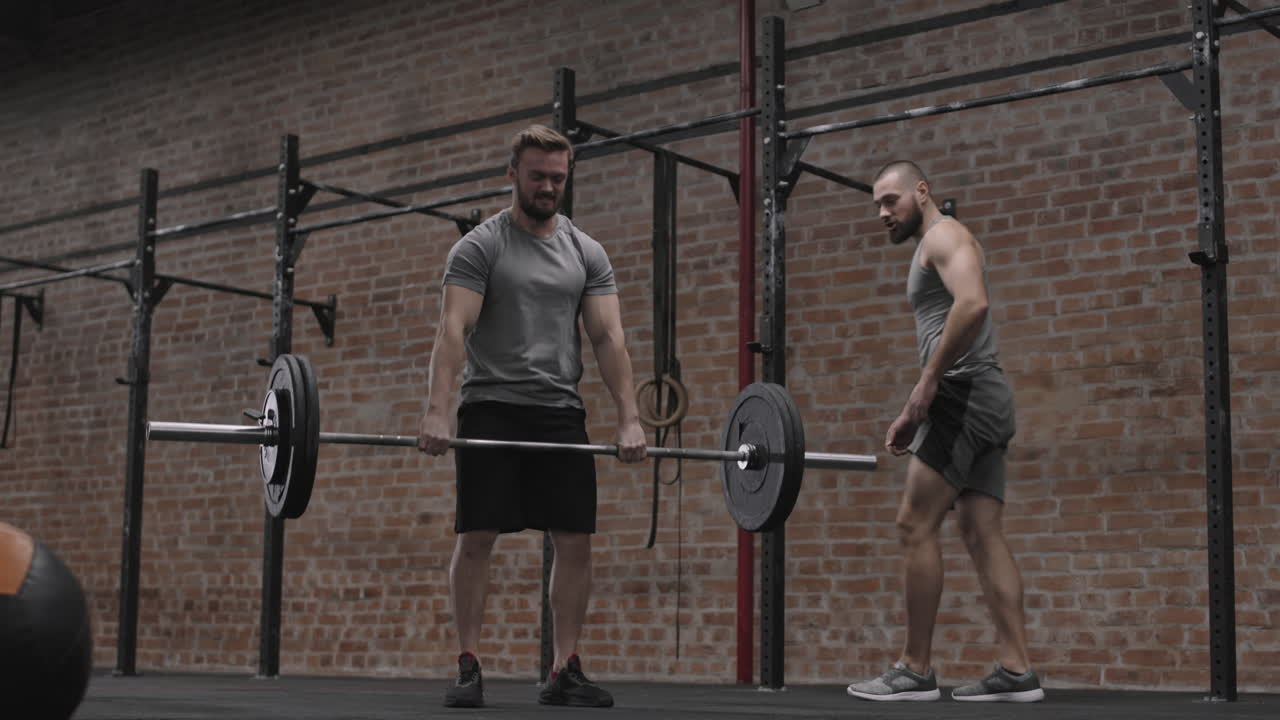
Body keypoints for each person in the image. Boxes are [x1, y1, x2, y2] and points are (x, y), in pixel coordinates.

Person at [417, 124, 647, 709]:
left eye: (558, 178)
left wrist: (629, 418)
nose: (549, 186)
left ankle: (563, 667)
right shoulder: (479, 246)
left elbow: (609, 337)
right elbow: (451, 332)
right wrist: (438, 412)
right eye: (538, 175)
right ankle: (469, 663)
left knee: (575, 540)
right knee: (477, 535)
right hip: (491, 406)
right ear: (513, 174)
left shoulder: (586, 252)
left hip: (558, 411)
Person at [845, 161, 1044, 703]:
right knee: (982, 532)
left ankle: (914, 668)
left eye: (891, 201)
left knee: (914, 523)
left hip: (964, 393)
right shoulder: (936, 241)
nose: (884, 213)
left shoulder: (944, 235)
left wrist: (924, 388)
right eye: (878, 206)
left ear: (923, 191)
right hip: (984, 393)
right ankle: (1016, 668)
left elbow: (974, 303)